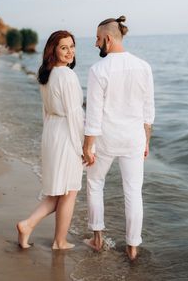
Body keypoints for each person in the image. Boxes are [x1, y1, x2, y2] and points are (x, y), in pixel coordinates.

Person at [83, 16, 155, 260]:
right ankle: (132, 247)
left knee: (94, 184)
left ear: (108, 39)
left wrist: (87, 147)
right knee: (134, 192)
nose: (95, 43)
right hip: (134, 138)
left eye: (97, 38)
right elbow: (148, 111)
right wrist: (146, 141)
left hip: (106, 138)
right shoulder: (144, 67)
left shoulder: (98, 70)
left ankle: (97, 239)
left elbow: (93, 114)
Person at [17, 30, 84, 249]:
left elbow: (46, 112)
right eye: (64, 47)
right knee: (68, 192)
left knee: (58, 192)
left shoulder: (47, 75)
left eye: (72, 46)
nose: (70, 51)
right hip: (66, 134)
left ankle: (28, 225)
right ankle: (60, 241)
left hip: (52, 133)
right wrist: (83, 146)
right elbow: (75, 115)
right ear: (52, 51)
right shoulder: (67, 75)